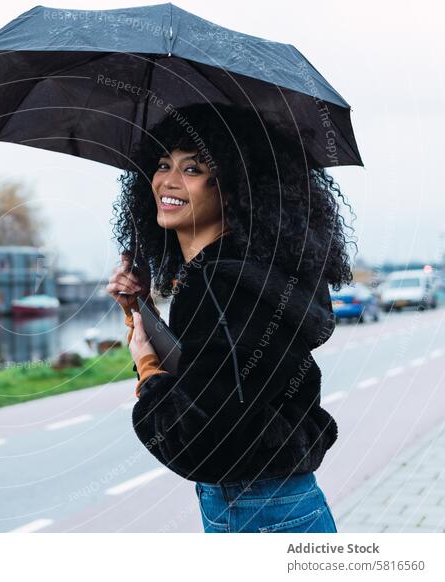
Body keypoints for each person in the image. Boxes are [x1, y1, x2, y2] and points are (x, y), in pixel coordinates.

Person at [106, 104, 354, 533]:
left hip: (254, 512)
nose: (168, 180)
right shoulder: (250, 274)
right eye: (163, 164)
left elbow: (203, 444)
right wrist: (140, 312)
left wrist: (148, 371)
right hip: (275, 504)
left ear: (236, 186)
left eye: (194, 168)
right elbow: (215, 383)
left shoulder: (222, 286)